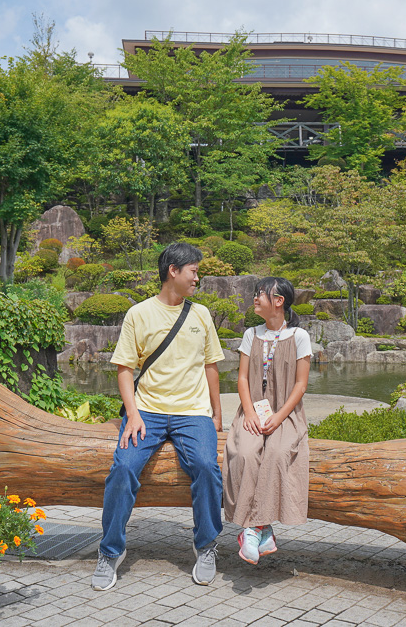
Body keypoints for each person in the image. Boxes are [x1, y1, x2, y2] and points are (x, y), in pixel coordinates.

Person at [92, 242, 225, 591]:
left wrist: (216, 416)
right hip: (147, 411)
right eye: (194, 271)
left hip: (192, 412)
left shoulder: (201, 315)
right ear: (174, 271)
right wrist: (132, 415)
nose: (198, 277)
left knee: (207, 468)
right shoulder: (139, 314)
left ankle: (207, 545)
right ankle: (110, 552)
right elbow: (124, 370)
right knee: (122, 467)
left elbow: (211, 367)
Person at [223, 276, 312, 565]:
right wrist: (248, 413)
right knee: (244, 453)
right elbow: (241, 379)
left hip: (286, 413)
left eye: (261, 293)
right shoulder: (252, 334)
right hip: (252, 411)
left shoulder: (299, 337)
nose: (256, 298)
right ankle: (262, 529)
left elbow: (300, 385)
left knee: (277, 452)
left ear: (279, 301)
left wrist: (279, 417)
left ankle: (251, 529)